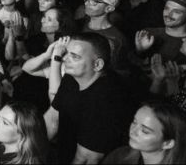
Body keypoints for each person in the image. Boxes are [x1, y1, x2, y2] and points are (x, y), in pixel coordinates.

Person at [45, 33, 136, 164]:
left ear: (97, 65)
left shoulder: (109, 98)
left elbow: (87, 158)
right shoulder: (72, 77)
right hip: (66, 152)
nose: (65, 59)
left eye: (74, 57)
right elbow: (52, 119)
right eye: (66, 53)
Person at [102, 100, 186, 164]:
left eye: (145, 131)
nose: (133, 131)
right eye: (134, 122)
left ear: (167, 143)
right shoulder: (120, 155)